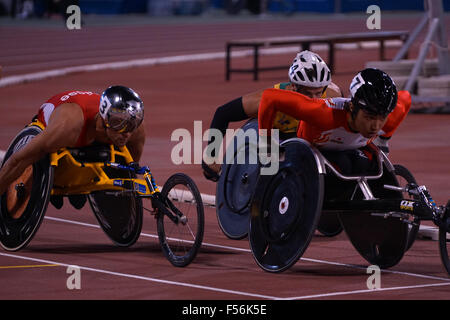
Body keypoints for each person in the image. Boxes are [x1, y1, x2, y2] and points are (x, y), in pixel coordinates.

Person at [202, 50, 343, 181]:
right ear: (293, 87)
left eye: (318, 93)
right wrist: (211, 156)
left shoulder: (334, 95)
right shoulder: (268, 99)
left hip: (307, 136)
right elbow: (222, 114)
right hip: (273, 136)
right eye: (307, 93)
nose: (313, 100)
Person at [257, 68, 410, 175]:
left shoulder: (390, 116)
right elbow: (269, 97)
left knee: (367, 165)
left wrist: (384, 141)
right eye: (369, 117)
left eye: (381, 118)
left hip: (351, 149)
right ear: (352, 106)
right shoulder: (323, 113)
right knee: (345, 164)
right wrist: (266, 142)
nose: (376, 126)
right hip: (311, 150)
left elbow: (406, 98)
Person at [0, 85, 145, 196]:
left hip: (85, 125)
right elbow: (17, 160)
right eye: (118, 123)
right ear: (104, 118)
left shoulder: (135, 132)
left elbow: (130, 174)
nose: (126, 133)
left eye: (131, 125)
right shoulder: (67, 127)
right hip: (61, 117)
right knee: (38, 152)